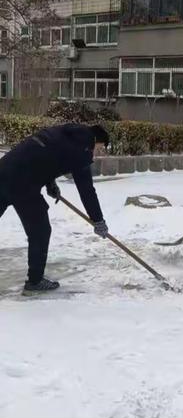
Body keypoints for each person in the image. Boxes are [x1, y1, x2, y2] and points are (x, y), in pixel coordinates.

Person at [0, 123, 110, 292]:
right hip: (23, 183)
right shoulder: (83, 148)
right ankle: (35, 282)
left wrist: (50, 183)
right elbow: (87, 190)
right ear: (96, 140)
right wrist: (98, 220)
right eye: (100, 148)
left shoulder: (68, 134)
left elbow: (46, 155)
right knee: (40, 231)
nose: (97, 153)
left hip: (5, 170)